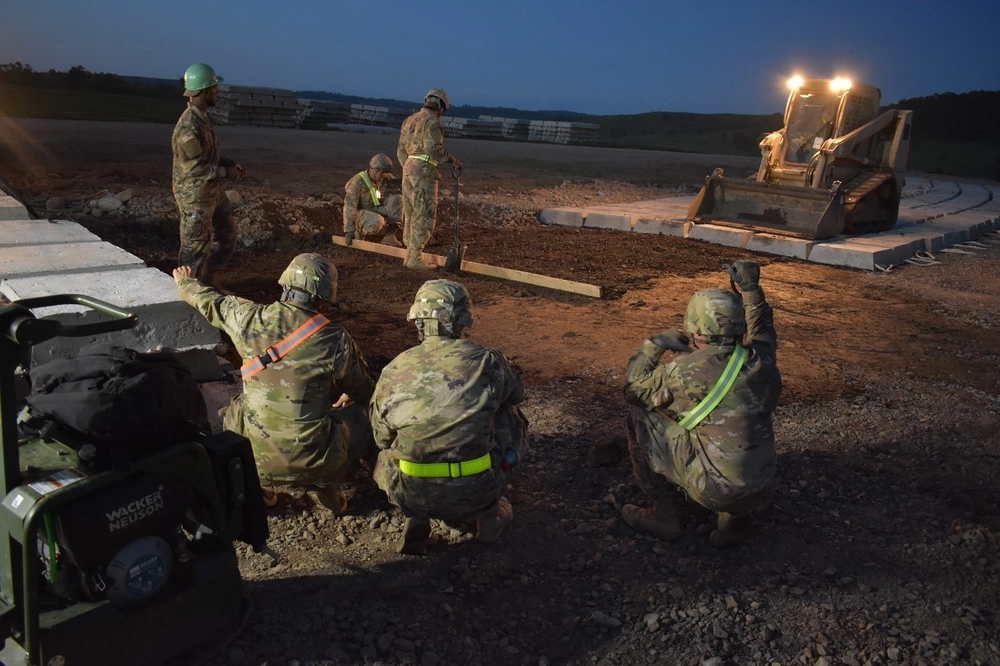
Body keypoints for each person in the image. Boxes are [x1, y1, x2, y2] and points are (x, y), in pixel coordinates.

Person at [173, 253, 376, 512]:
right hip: (316, 461)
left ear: (284, 285)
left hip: (257, 460)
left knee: (237, 408)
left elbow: (210, 302)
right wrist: (351, 396)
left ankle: (260, 485)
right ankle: (329, 491)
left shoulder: (248, 317)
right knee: (363, 414)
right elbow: (364, 390)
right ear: (324, 297)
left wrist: (186, 282)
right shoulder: (334, 338)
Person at [621, 261, 781, 548]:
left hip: (714, 489)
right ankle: (734, 521)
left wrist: (655, 344)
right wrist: (751, 289)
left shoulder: (683, 372)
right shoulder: (762, 361)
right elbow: (763, 330)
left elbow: (633, 391)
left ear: (694, 328)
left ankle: (663, 516)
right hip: (762, 486)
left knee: (639, 417)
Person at [370, 279, 528, 554]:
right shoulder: (487, 360)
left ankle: (415, 515)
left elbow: (381, 437)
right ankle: (489, 519)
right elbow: (517, 394)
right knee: (512, 416)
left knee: (389, 451)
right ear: (461, 320)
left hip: (411, 491)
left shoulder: (393, 369)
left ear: (418, 320)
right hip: (476, 491)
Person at [172, 63, 245, 292]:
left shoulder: (202, 118)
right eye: (214, 88)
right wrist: (226, 173)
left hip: (211, 191)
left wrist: (228, 163)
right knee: (195, 247)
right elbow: (194, 169)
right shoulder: (188, 126)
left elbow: (207, 157)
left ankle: (210, 278)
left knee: (228, 234)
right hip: (195, 196)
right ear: (204, 90)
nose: (217, 92)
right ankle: (189, 293)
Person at [396, 88, 463, 270]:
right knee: (424, 213)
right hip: (424, 171)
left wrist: (410, 167)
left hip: (408, 169)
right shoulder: (433, 122)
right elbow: (433, 150)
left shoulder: (409, 120)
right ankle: (415, 258)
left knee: (411, 213)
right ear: (441, 106)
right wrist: (453, 161)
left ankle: (410, 255)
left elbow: (401, 151)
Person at [343, 154, 403, 246]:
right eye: (384, 172)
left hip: (374, 207)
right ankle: (359, 231)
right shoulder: (357, 183)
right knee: (377, 222)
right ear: (376, 170)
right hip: (361, 212)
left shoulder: (380, 178)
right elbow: (349, 207)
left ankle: (389, 235)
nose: (385, 175)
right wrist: (349, 231)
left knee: (398, 200)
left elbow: (394, 183)